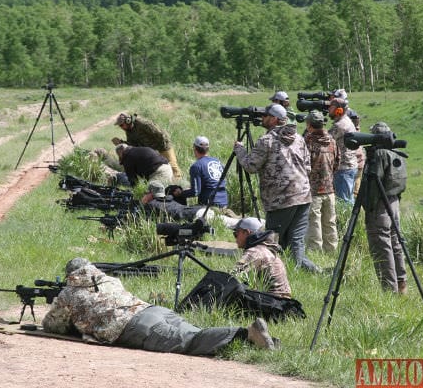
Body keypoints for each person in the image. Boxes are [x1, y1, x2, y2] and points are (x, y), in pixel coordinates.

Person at [42, 257, 276, 354]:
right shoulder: (109, 279)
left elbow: (53, 325)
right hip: (152, 310)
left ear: (70, 275)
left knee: (191, 341)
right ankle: (266, 341)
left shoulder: (69, 293)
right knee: (191, 332)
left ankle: (245, 334)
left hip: (136, 327)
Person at [233, 103, 321, 273]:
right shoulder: (299, 139)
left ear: (274, 119)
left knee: (271, 240)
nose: (262, 118)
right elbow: (308, 167)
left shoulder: (267, 140)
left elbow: (251, 166)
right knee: (296, 241)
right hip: (303, 195)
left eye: (265, 116)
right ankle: (306, 272)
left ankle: (271, 272)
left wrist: (240, 150)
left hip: (280, 199)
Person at [361, 122, 408, 294]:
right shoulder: (397, 153)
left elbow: (373, 185)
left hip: (379, 205)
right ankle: (401, 282)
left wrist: (368, 206)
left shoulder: (380, 155)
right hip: (394, 202)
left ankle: (389, 289)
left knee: (382, 246)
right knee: (395, 243)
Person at [304, 110, 340, 253]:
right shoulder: (332, 141)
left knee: (314, 222)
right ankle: (331, 249)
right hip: (329, 189)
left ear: (309, 125)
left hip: (313, 191)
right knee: (330, 222)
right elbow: (338, 162)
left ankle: (315, 251)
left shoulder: (308, 142)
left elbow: (303, 165)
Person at [232, 217, 292, 299]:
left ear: (246, 232)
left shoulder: (255, 252)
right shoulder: (268, 248)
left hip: (270, 301)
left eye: (236, 234)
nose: (235, 238)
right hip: (281, 301)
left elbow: (232, 278)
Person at [142, 180, 240, 229]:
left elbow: (143, 218)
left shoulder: (152, 204)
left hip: (197, 216)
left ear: (150, 193)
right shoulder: (169, 199)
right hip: (200, 210)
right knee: (233, 223)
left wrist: (144, 202)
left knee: (234, 224)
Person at [112, 113, 182, 179]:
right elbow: (133, 145)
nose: (121, 127)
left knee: (173, 168)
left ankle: (179, 187)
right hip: (152, 151)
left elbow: (160, 134)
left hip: (162, 146)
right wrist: (122, 143)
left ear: (128, 121)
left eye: (121, 125)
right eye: (120, 126)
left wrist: (161, 149)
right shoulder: (129, 131)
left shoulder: (142, 123)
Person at [171, 136, 228, 208]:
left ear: (194, 148)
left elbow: (195, 192)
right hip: (224, 202)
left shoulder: (196, 166)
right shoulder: (217, 161)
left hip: (209, 206)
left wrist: (180, 193)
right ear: (208, 149)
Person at [327, 98, 359, 204]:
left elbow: (325, 140)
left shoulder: (340, 125)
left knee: (343, 202)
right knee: (348, 198)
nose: (328, 110)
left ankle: (347, 221)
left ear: (339, 110)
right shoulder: (346, 121)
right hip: (348, 166)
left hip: (343, 168)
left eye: (331, 107)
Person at [349, 111, 366, 197]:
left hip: (354, 161)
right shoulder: (358, 130)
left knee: (354, 184)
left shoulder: (351, 132)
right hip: (360, 161)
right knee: (357, 182)